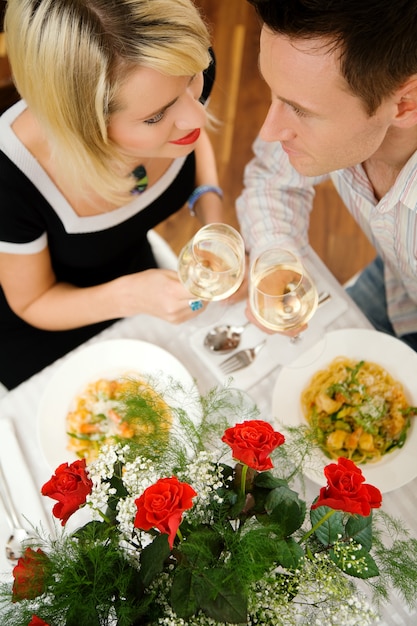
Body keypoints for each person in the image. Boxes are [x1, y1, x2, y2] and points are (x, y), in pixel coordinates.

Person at [0, 0, 225, 389]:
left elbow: (194, 137)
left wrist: (213, 213)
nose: (196, 116)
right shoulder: (10, 178)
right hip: (48, 330)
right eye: (156, 117)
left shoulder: (171, 74)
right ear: (82, 125)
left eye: (194, 79)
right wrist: (130, 296)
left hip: (139, 280)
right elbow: (32, 302)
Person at [237, 0, 417, 351]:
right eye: (274, 95)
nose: (270, 130)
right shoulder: (339, 113)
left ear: (406, 104)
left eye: (300, 110)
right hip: (395, 289)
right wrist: (276, 255)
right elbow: (271, 180)